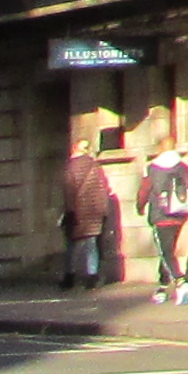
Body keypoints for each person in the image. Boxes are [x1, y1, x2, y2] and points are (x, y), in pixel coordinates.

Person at [137, 118, 188, 306]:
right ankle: (162, 288)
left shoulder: (152, 168)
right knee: (168, 250)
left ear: (160, 149)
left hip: (160, 215)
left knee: (165, 253)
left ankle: (182, 283)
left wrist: (140, 206)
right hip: (179, 214)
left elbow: (144, 190)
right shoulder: (184, 168)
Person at [57, 123, 123, 290]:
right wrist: (103, 211)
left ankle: (69, 276)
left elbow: (68, 191)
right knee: (91, 245)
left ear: (74, 149)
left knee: (71, 245)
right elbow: (103, 188)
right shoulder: (95, 166)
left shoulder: (70, 167)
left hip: (76, 213)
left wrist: (69, 212)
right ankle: (92, 276)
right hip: (93, 213)